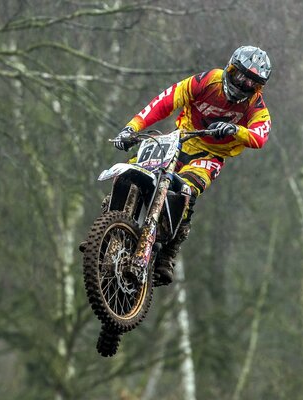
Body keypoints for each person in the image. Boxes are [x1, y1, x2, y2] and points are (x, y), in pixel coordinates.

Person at [114, 45, 272, 286]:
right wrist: (132, 127)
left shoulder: (256, 106)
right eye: (240, 76)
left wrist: (236, 130)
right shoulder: (207, 81)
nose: (243, 85)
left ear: (258, 87)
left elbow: (260, 136)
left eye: (251, 83)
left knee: (186, 190)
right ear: (230, 68)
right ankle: (109, 223)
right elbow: (166, 99)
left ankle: (167, 254)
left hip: (210, 155)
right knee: (132, 169)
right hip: (180, 140)